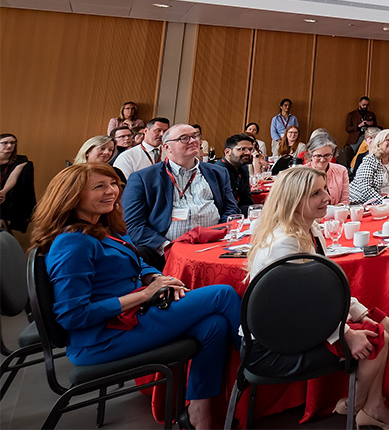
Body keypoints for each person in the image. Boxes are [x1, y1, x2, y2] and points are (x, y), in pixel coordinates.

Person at [31, 163, 240, 430]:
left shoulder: (104, 228)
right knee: (222, 293)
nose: (112, 191)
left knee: (214, 325)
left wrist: (155, 278)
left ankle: (200, 412)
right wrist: (145, 295)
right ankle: (259, 358)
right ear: (73, 196)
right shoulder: (73, 242)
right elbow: (73, 316)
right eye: (99, 187)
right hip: (100, 339)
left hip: (128, 321)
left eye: (113, 184)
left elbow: (137, 263)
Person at [245, 167, 389, 430]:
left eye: (325, 189)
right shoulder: (284, 243)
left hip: (304, 322)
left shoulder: (310, 230)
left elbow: (324, 290)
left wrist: (359, 313)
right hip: (275, 339)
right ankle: (359, 405)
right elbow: (295, 307)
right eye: (316, 193)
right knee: (378, 337)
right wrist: (343, 334)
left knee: (382, 322)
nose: (327, 197)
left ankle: (371, 404)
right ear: (294, 201)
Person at [122, 124, 240, 253]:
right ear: (167, 147)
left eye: (195, 136)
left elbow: (231, 209)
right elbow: (134, 225)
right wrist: (167, 247)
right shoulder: (143, 178)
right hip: (166, 250)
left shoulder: (218, 173)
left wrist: (219, 233)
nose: (194, 140)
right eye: (184, 138)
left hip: (213, 244)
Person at [349, 128, 389, 202]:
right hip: (361, 201)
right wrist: (383, 201)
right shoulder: (370, 159)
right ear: (379, 142)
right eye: (388, 140)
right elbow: (365, 187)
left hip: (387, 201)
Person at [0, 134, 36, 232]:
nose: (9, 145)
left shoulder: (21, 159)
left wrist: (3, 191)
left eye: (12, 143)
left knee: (28, 166)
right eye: (5, 143)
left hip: (11, 195)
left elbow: (14, 175)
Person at [219, 134, 256, 215]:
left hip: (240, 210)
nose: (248, 153)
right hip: (225, 214)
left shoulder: (243, 168)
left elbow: (246, 198)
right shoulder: (218, 171)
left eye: (250, 149)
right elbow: (221, 204)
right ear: (227, 152)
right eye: (243, 149)